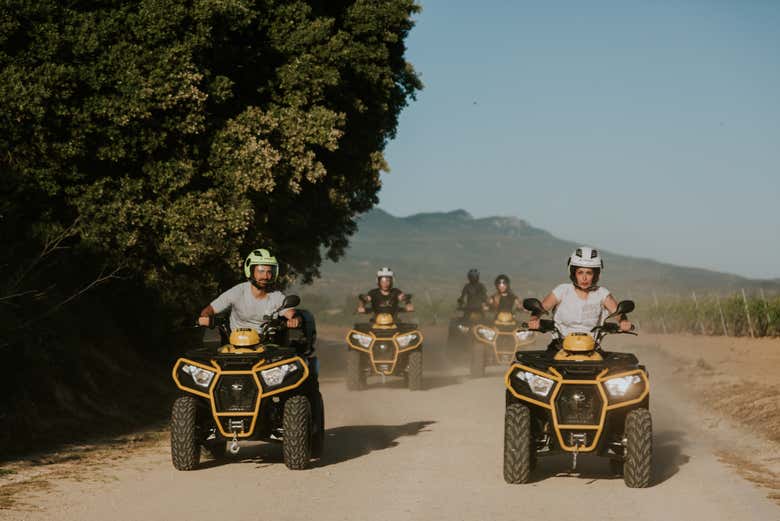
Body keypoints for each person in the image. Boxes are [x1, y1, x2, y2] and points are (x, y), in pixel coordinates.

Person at [527, 247, 632, 351]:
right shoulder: (562, 290)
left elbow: (617, 312)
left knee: (623, 362)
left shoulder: (602, 293)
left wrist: (623, 321)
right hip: (560, 346)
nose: (584, 278)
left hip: (592, 347)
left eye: (589, 273)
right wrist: (534, 319)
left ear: (595, 275)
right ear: (573, 273)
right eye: (580, 272)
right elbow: (542, 308)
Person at [198, 248, 300, 332]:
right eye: (261, 271)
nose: (265, 276)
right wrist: (206, 317)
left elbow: (292, 314)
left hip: (265, 344)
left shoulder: (276, 296)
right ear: (250, 271)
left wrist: (295, 320)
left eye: (269, 272)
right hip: (236, 343)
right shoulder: (237, 292)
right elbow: (209, 310)